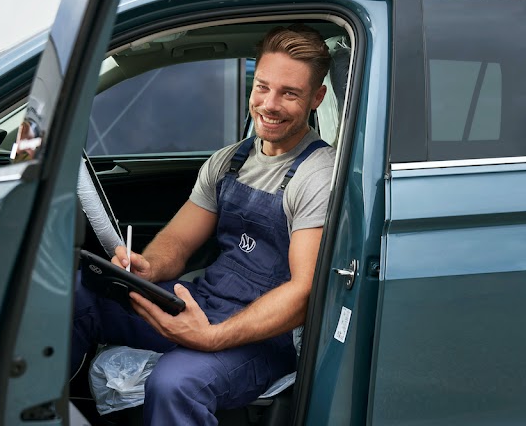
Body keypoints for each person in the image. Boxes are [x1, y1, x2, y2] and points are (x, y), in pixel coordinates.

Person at [72, 24, 336, 425]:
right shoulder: (229, 161)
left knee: (174, 383)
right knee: (80, 296)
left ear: (317, 97)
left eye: (289, 93)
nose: (269, 104)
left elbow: (303, 293)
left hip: (265, 335)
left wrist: (211, 337)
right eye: (262, 87)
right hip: (206, 301)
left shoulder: (317, 174)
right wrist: (148, 268)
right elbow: (178, 241)